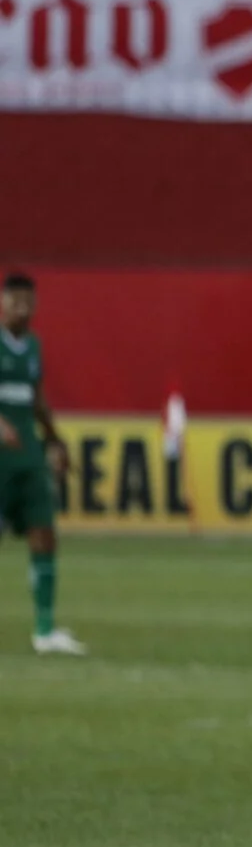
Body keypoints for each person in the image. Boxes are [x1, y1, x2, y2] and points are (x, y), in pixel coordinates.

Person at [0, 272, 86, 655]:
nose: (23, 308)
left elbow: (37, 398)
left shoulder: (33, 347)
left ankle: (45, 630)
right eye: (15, 300)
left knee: (44, 533)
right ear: (2, 302)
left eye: (29, 302)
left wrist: (54, 439)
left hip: (29, 457)